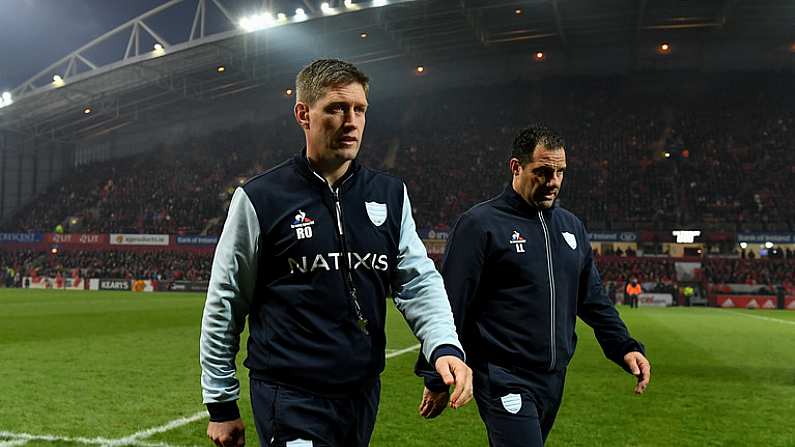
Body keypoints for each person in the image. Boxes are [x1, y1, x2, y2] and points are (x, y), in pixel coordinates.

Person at [200, 59, 472, 447]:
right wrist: (221, 403)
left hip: (360, 394)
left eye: (359, 109)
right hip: (289, 394)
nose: (351, 120)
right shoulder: (260, 198)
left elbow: (417, 280)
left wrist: (444, 345)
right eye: (336, 108)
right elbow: (225, 300)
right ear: (303, 114)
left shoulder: (390, 194)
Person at [416, 124, 650, 446]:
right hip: (503, 375)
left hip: (554, 378)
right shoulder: (480, 224)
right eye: (542, 172)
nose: (553, 182)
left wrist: (624, 346)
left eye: (560, 172)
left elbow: (592, 298)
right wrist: (436, 378)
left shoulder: (572, 228)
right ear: (516, 167)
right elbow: (452, 301)